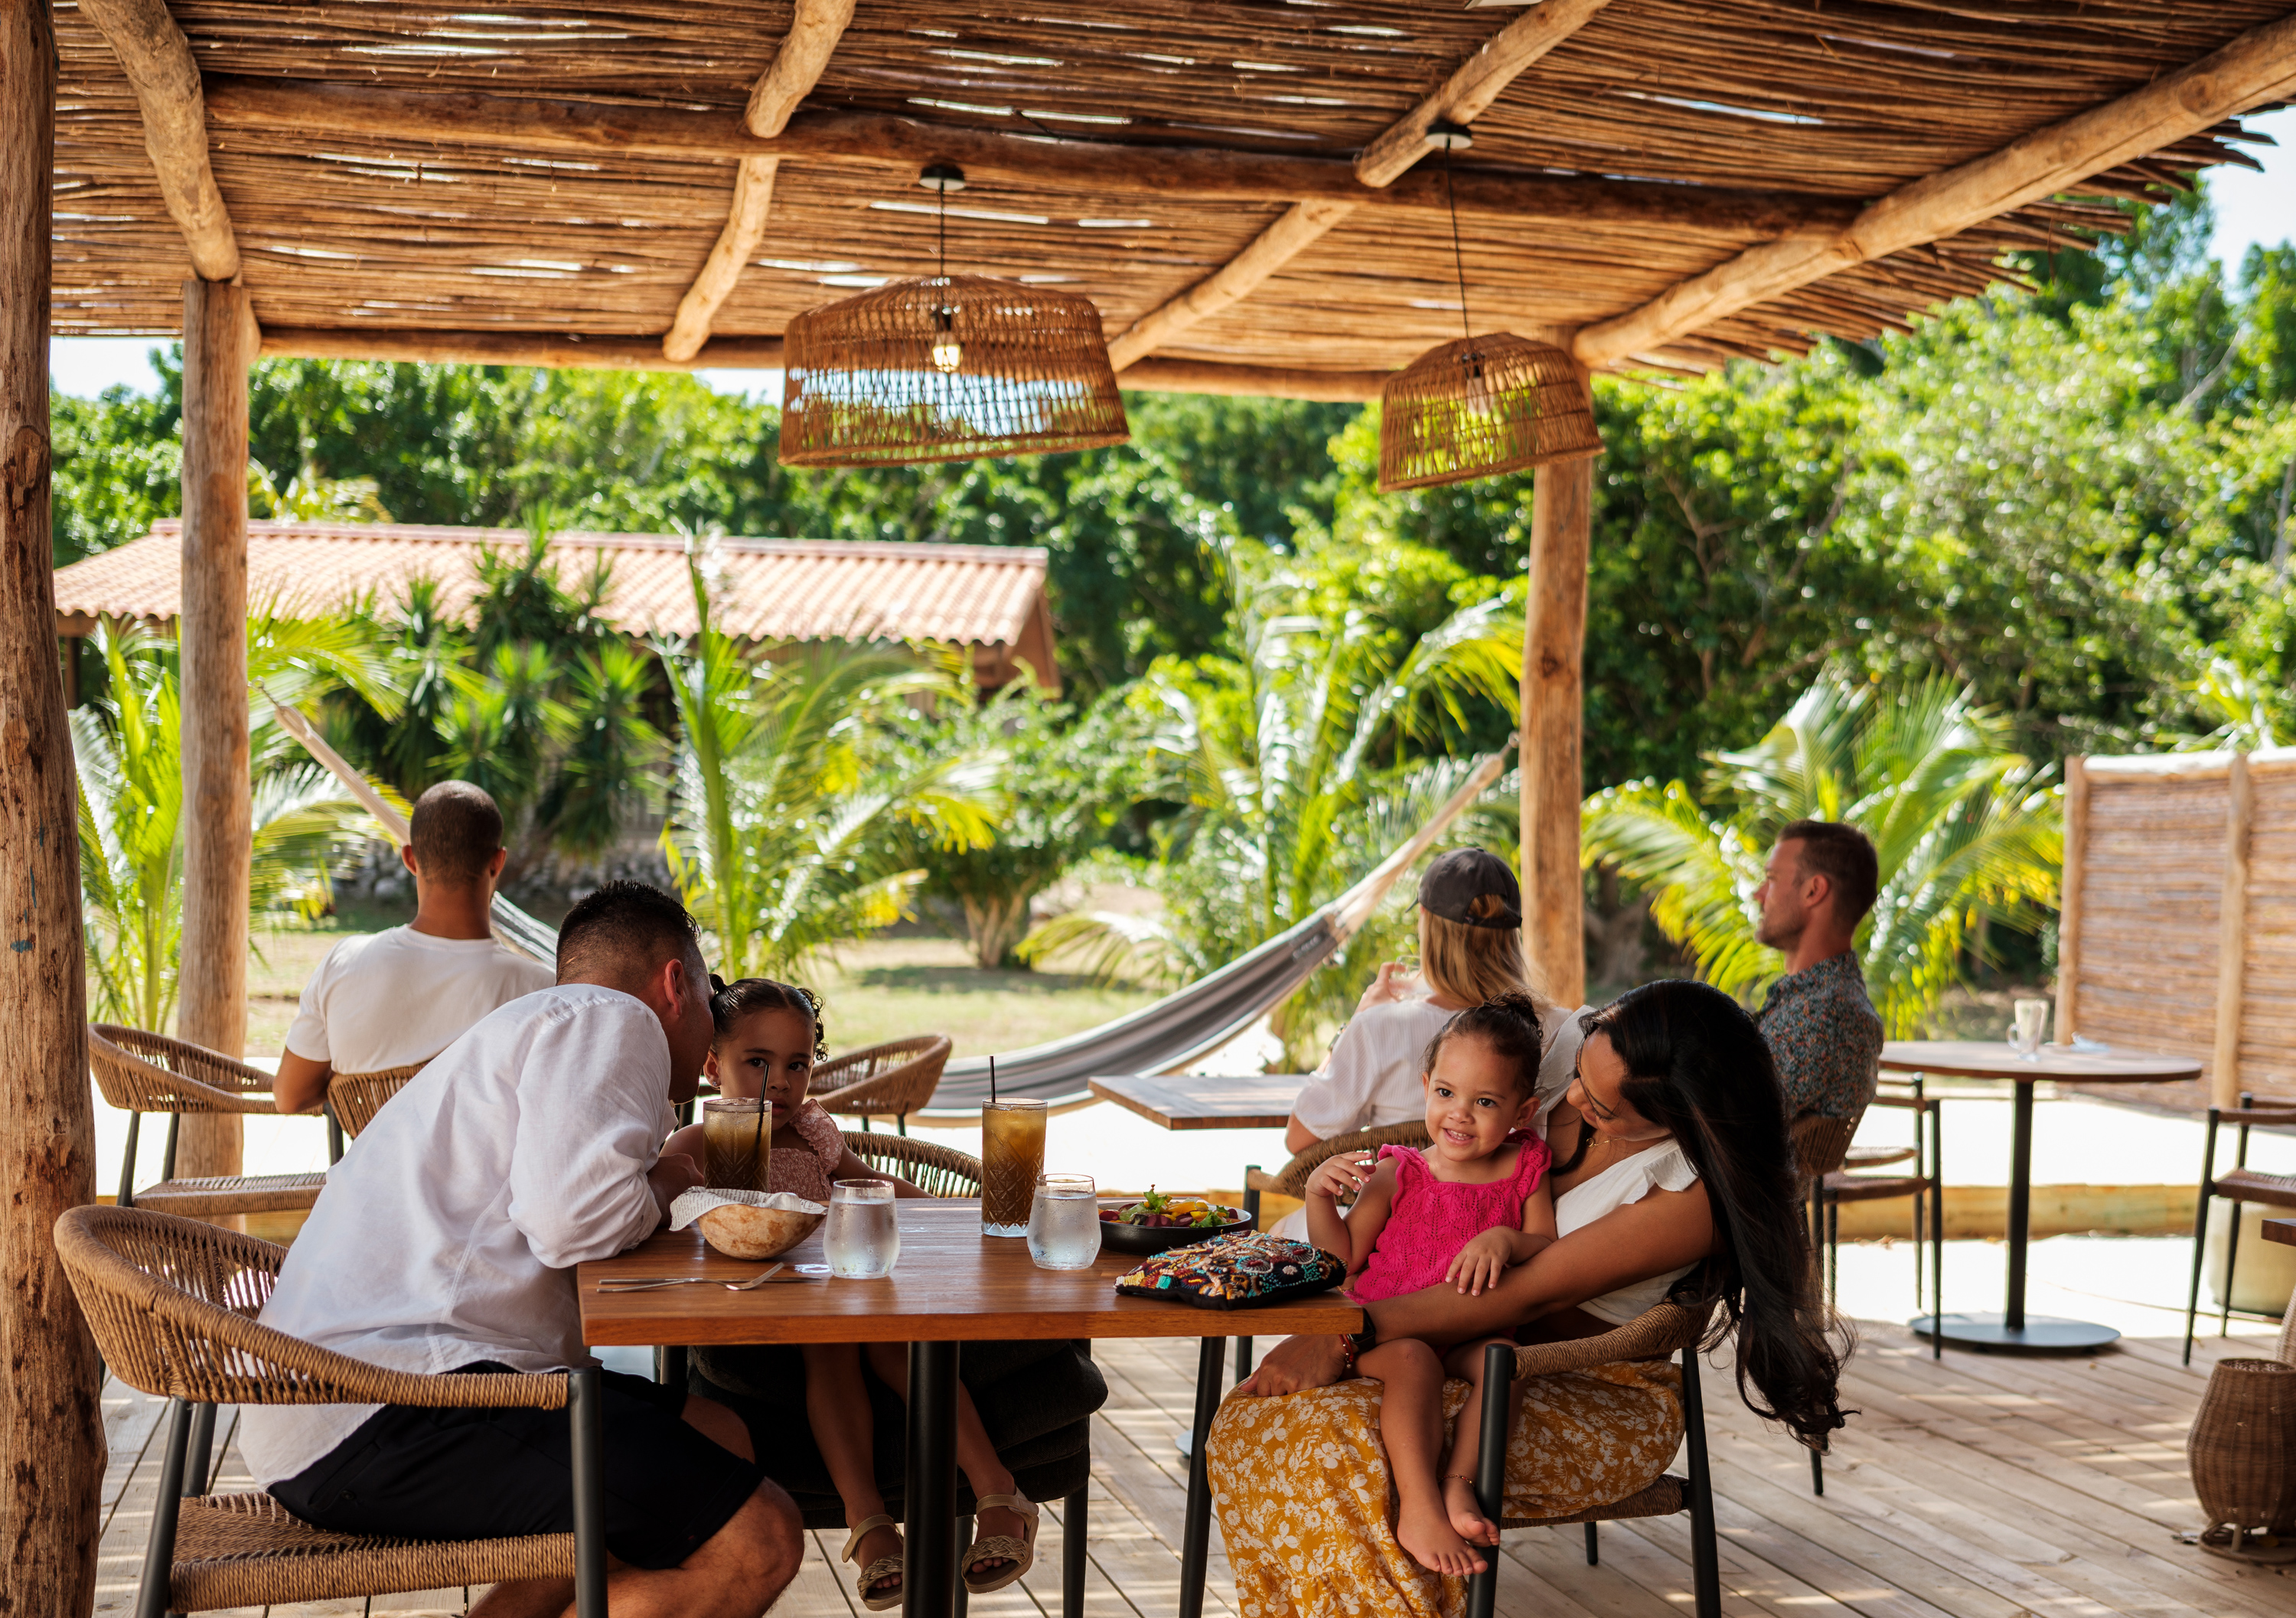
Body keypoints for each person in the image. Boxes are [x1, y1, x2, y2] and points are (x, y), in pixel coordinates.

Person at [240, 882, 803, 1618]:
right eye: (710, 993)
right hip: (392, 1408)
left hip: (339, 1400)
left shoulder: (537, 1025)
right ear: (674, 984)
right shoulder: (615, 1018)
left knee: (718, 1435)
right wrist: (671, 1176)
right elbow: (576, 1221)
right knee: (760, 1539)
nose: (709, 1025)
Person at [1209, 980, 1846, 1616]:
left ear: (1674, 1118)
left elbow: (1516, 1296)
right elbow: (1484, 1018)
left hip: (1575, 1385)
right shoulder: (1581, 1055)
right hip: (1437, 1344)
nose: (1569, 1098)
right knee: (1250, 1420)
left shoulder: (1688, 1196)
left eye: (1597, 1105)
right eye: (1575, 1075)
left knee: (1332, 1443)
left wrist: (1339, 1331)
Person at [662, 977, 1039, 1609]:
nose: (778, 1081)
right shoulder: (700, 1143)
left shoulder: (814, 1133)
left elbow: (869, 1186)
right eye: (756, 1062)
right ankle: (869, 1522)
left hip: (840, 1292)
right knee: (832, 1349)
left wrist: (957, 1212)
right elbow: (674, 1208)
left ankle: (998, 1491)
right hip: (765, 1309)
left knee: (902, 1343)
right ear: (712, 1065)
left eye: (797, 1064)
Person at [1302, 995, 1556, 1576]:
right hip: (1388, 1337)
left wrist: (1506, 1241)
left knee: (1507, 1362)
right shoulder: (1399, 1172)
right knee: (1415, 1360)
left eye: (1485, 1101)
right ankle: (1418, 1506)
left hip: (1473, 1331)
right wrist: (1318, 1195)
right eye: (1446, 1093)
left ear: (1523, 1110)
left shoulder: (1525, 1169)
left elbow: (1546, 1247)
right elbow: (1339, 1260)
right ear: (1425, 1085)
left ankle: (1458, 1483)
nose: (1459, 1115)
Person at [1283, 848, 1586, 1165]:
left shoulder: (1379, 1027)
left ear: (1425, 920)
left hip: (1393, 1207)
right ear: (1511, 933)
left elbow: (1300, 1138)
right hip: (1511, 1207)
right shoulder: (1563, 1029)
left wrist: (1357, 1021)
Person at [272, 780, 551, 1117]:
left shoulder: (344, 963)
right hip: (489, 1172)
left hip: (372, 1171)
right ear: (497, 863)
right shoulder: (543, 993)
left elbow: (289, 1097)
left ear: (410, 859)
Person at [1752, 819, 1884, 1121]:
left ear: (1814, 890)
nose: (1758, 894)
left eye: (1771, 878)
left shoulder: (1819, 1014)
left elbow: (1724, 1118)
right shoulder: (1819, 1001)